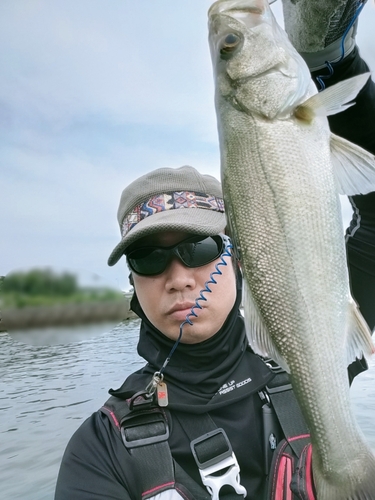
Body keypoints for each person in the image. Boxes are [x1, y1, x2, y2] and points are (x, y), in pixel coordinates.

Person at [54, 1, 375, 499]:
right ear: (133, 286)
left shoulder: (312, 336)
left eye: (199, 246)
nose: (178, 275)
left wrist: (334, 58)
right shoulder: (99, 452)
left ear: (238, 255)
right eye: (149, 258)